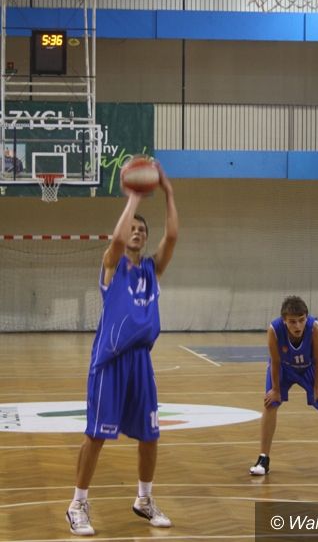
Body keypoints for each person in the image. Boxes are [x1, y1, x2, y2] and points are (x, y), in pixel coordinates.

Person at [66, 160, 178, 536]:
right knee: (97, 434)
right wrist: (133, 198)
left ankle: (144, 499)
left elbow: (172, 238)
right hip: (110, 361)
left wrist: (169, 193)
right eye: (132, 228)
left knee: (150, 435)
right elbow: (114, 242)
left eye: (142, 230)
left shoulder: (151, 271)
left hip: (141, 361)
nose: (137, 233)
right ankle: (77, 504)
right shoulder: (112, 266)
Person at [249, 295, 318, 478]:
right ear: (284, 321)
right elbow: (275, 361)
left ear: (306, 318)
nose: (298, 326)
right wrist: (275, 389)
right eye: (293, 322)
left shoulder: (315, 328)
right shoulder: (274, 330)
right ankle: (263, 459)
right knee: (270, 403)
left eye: (301, 320)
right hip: (284, 367)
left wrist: (317, 387)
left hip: (311, 367)